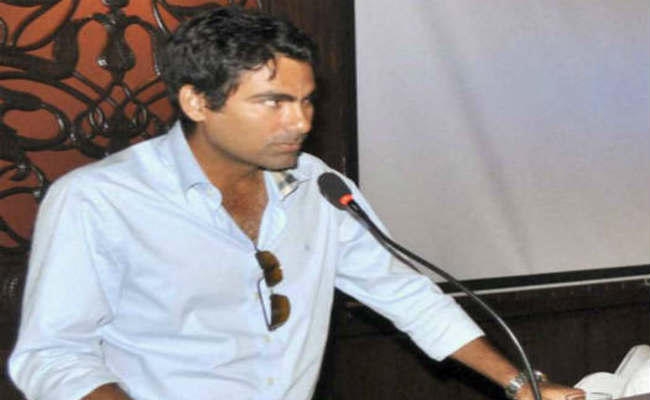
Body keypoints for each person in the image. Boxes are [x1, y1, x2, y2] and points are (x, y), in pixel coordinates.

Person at [9, 7, 585, 400]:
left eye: (307, 101)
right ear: (197, 102)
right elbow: (53, 357)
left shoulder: (318, 186)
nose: (301, 122)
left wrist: (520, 385)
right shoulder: (100, 200)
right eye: (274, 102)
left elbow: (405, 295)